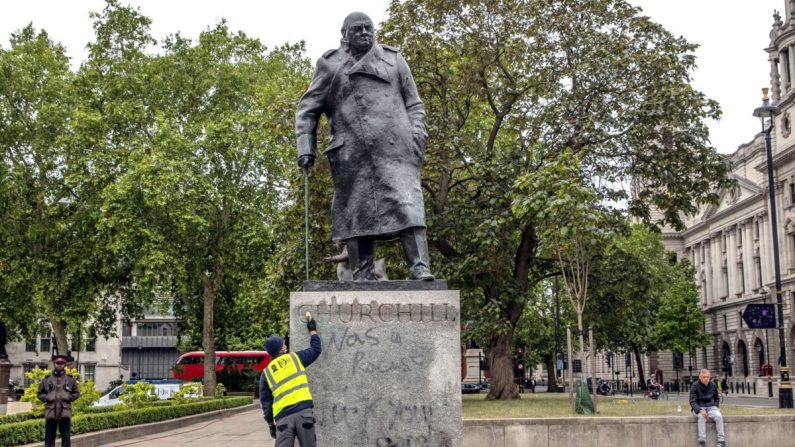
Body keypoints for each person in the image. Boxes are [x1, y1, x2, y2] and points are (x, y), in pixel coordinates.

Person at [295, 11, 434, 281]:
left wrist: (417, 137)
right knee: (356, 213)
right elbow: (307, 110)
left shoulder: (393, 60)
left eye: (368, 28)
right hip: (351, 154)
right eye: (357, 29)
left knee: (409, 206)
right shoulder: (330, 66)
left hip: (398, 150)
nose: (364, 33)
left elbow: (414, 104)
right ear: (344, 35)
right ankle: (362, 273)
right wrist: (305, 148)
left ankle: (419, 268)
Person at [260, 316, 322, 447]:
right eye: (283, 343)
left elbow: (266, 402)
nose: (285, 345)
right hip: (304, 413)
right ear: (281, 349)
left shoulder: (266, 373)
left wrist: (271, 424)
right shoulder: (295, 358)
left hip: (283, 419)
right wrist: (312, 330)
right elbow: (316, 349)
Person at [38, 354, 80, 447]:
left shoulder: (70, 379)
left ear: (65, 364)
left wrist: (69, 397)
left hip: (65, 411)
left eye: (61, 363)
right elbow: (39, 393)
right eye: (57, 363)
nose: (59, 365)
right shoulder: (47, 379)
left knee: (66, 437)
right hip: (51, 412)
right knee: (49, 438)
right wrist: (46, 397)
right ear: (54, 363)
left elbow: (76, 393)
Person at [689, 368, 725, 447]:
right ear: (700, 377)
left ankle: (721, 441)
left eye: (707, 377)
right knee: (702, 417)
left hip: (711, 407)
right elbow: (692, 401)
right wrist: (699, 410)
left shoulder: (713, 385)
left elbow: (717, 398)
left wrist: (716, 407)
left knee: (719, 416)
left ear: (710, 377)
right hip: (699, 407)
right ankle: (702, 442)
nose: (706, 379)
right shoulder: (694, 386)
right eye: (704, 377)